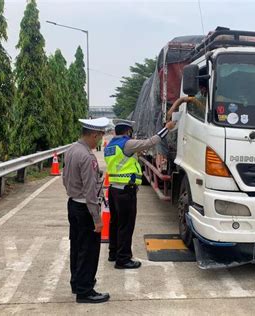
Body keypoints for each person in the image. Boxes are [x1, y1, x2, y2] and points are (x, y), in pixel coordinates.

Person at [104, 117, 185, 269]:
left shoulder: (110, 145)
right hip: (126, 191)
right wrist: (166, 128)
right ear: (128, 131)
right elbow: (150, 142)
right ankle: (123, 259)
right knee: (126, 226)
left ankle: (113, 253)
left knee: (114, 223)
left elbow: (124, 160)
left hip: (114, 190)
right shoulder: (127, 143)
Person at [62, 117, 110, 304]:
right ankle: (85, 290)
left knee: (77, 247)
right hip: (85, 208)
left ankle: (77, 283)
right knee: (89, 251)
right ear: (92, 134)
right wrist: (97, 219)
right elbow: (91, 191)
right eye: (98, 137)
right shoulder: (87, 157)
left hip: (73, 204)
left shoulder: (72, 150)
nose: (98, 141)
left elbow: (65, 178)